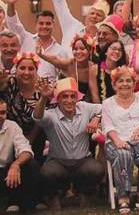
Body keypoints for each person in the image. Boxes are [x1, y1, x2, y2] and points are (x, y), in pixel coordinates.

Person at [33, 77, 103, 209]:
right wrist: (43, 98)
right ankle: (53, 196)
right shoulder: (51, 115)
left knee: (97, 170)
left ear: (77, 98)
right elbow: (37, 117)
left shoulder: (85, 107)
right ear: (57, 99)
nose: (69, 100)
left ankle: (84, 193)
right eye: (64, 96)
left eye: (73, 96)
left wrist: (96, 119)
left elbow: (105, 108)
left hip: (82, 162)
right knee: (47, 173)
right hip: (59, 163)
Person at [101, 66, 139, 214]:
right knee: (123, 154)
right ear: (114, 84)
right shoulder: (107, 103)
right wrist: (117, 141)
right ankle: (123, 197)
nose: (125, 84)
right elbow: (107, 126)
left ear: (134, 84)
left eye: (129, 81)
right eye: (120, 81)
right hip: (117, 140)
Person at [0, 98, 38, 214]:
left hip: (5, 173)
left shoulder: (12, 126)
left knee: (31, 165)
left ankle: (24, 204)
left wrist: (15, 165)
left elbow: (26, 150)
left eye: (2, 112)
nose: (0, 116)